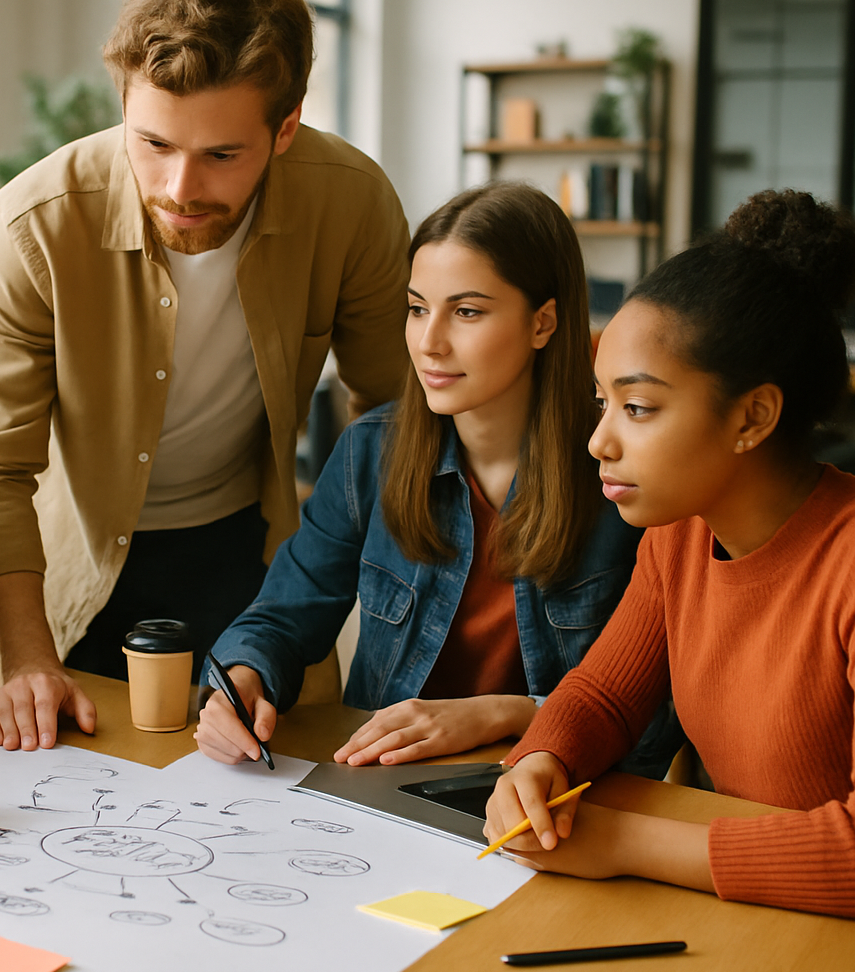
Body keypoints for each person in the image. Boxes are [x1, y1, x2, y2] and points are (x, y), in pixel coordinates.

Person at [485, 189, 855, 923]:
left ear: (753, 416)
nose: (599, 442)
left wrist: (626, 844)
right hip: (777, 908)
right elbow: (602, 697)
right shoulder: (681, 533)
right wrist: (541, 762)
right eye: (602, 403)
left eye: (637, 408)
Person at [0, 0, 409, 753]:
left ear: (286, 127)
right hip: (79, 567)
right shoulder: (32, 225)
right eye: (153, 142)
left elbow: (397, 414)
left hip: (252, 545)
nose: (180, 187)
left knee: (269, 777)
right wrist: (25, 661)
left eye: (222, 155)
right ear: (122, 101)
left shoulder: (352, 201)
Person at [194, 183, 678, 777]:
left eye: (467, 311)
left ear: (543, 322)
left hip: (558, 796)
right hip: (383, 785)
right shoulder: (372, 451)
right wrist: (243, 680)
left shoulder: (623, 474)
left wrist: (505, 715)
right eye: (418, 308)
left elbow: (663, 717)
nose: (429, 342)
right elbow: (282, 616)